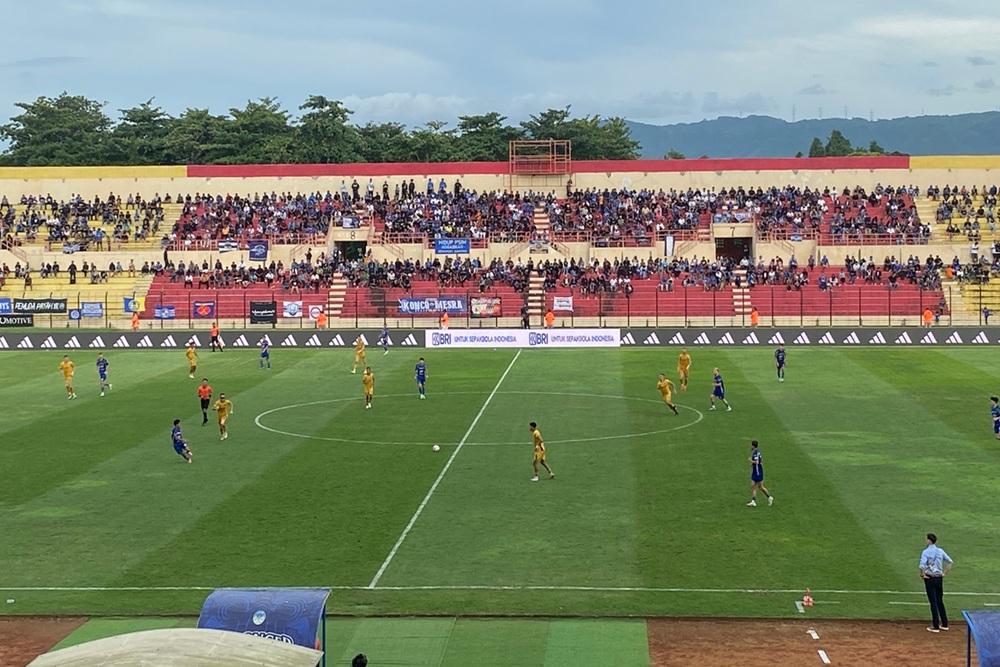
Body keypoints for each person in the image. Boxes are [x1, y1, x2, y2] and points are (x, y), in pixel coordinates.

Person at [919, 533, 953, 632]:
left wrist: (922, 575)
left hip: (930, 578)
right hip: (939, 578)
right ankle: (945, 623)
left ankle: (935, 626)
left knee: (933, 602)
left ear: (929, 540)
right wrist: (944, 573)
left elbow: (921, 566)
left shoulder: (925, 552)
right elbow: (950, 562)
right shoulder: (940, 551)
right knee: (939, 601)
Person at [747, 440, 773, 507]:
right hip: (758, 471)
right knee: (755, 486)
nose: (750, 446)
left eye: (751, 445)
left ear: (753, 446)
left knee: (758, 486)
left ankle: (768, 497)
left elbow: (757, 462)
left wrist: (751, 460)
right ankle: (754, 501)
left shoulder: (755, 453)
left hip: (757, 472)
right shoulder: (757, 452)